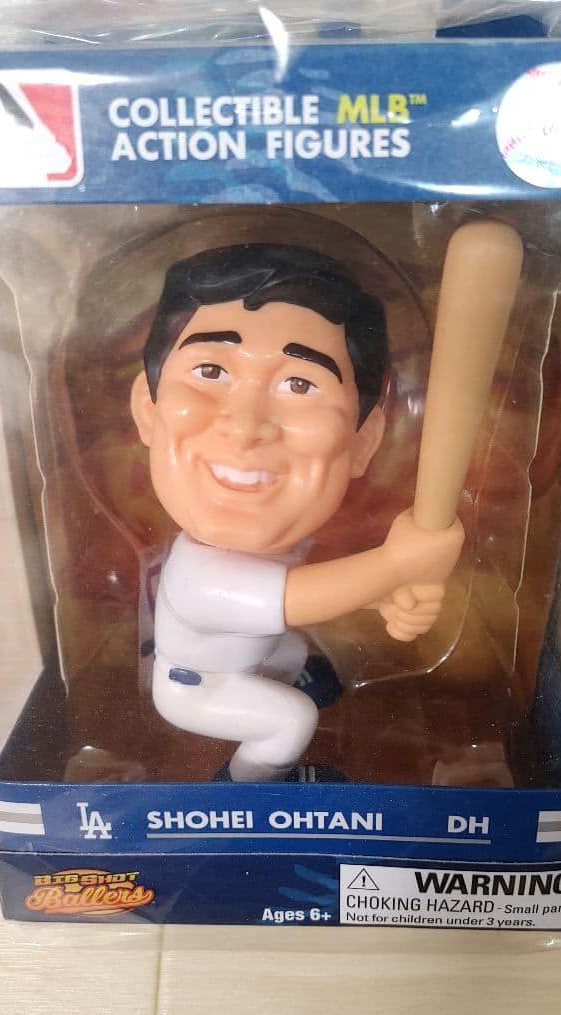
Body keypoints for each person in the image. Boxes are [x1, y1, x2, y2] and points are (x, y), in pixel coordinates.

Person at [131, 243, 464, 781]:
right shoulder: (200, 576)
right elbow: (298, 596)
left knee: (292, 652)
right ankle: (247, 788)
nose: (246, 427)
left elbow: (305, 593)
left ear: (362, 442)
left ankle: (292, 676)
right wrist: (396, 564)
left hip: (252, 654)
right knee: (292, 720)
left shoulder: (269, 547)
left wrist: (382, 593)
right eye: (211, 370)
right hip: (197, 687)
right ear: (148, 409)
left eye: (300, 384)